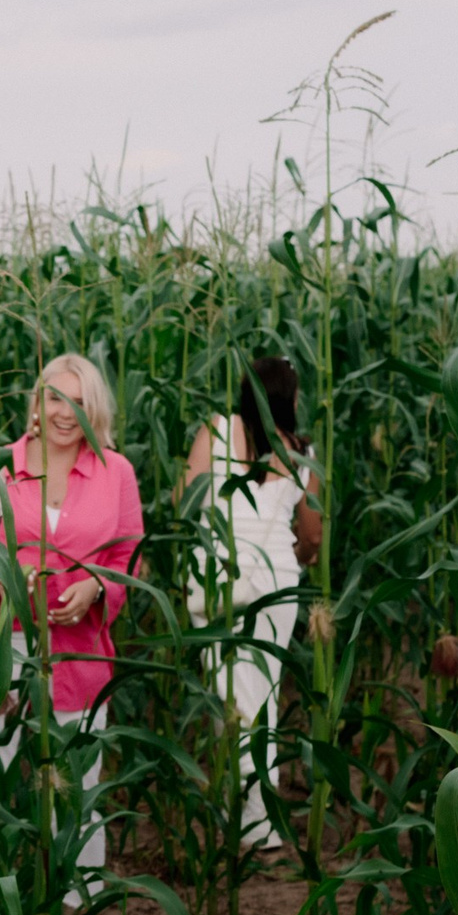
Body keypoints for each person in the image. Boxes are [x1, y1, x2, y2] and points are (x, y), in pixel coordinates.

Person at [0, 353, 144, 915]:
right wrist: (10, 584)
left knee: (76, 798)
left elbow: (128, 561)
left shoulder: (116, 472)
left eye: (81, 403)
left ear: (97, 410)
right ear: (36, 404)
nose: (66, 414)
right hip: (2, 655)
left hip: (80, 662)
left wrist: (96, 587)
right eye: (56, 399)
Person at [180, 355, 323, 850]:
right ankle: (255, 819)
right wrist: (295, 557)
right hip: (276, 583)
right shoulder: (302, 452)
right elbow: (311, 535)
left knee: (229, 699)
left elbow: (186, 499)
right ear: (290, 398)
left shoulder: (215, 430)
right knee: (261, 697)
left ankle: (241, 814)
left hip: (216, 574)